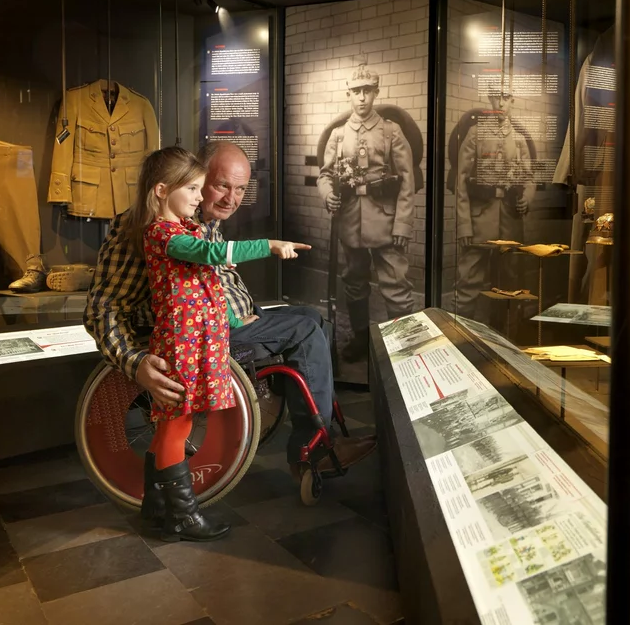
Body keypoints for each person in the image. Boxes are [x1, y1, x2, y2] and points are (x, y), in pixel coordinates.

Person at [84, 142, 377, 527]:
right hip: (191, 339)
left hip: (229, 325)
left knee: (311, 319)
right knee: (306, 327)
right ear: (195, 180)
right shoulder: (142, 227)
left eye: (241, 190)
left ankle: (320, 434)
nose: (232, 198)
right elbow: (103, 308)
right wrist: (133, 361)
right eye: (221, 186)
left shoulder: (198, 222)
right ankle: (313, 448)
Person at [317, 64, 417, 362]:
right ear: (349, 94)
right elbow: (324, 174)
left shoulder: (390, 131)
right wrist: (328, 195)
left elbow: (407, 181)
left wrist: (402, 225)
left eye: (367, 91)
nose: (362, 98)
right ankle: (361, 339)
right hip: (350, 221)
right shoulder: (337, 135)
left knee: (396, 286)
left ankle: (405, 344)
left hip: (386, 223)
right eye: (356, 92)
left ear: (376, 92)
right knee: (355, 283)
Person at [454, 89, 534, 321]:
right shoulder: (475, 134)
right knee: (468, 282)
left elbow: (529, 178)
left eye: (506, 97)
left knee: (508, 282)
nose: (500, 103)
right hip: (479, 222)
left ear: (512, 100)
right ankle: (462, 337)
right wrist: (464, 226)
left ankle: (502, 336)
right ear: (489, 100)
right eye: (495, 97)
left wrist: (526, 199)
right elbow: (461, 182)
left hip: (509, 220)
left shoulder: (518, 139)